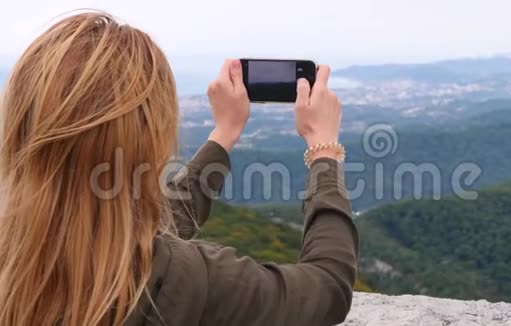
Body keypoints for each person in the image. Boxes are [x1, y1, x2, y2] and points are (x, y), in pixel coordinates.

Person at [0, 11, 358, 326]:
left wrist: (223, 135)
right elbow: (327, 288)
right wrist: (323, 148)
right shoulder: (184, 280)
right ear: (152, 140)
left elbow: (147, 223)